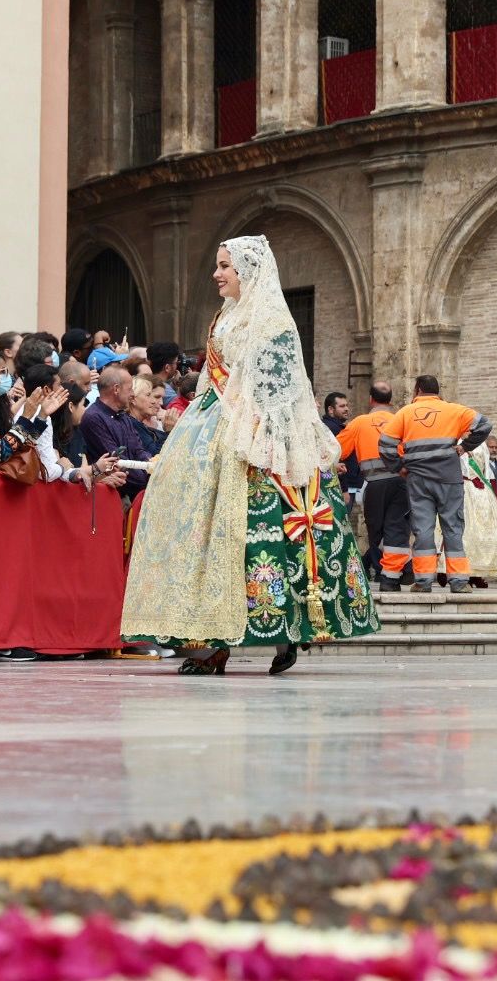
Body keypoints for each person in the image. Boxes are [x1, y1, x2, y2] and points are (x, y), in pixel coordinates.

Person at [122, 235, 379, 675]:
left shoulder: (273, 320)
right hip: (213, 429)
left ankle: (282, 633)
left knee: (265, 534)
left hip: (257, 437)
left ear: (248, 270)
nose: (216, 273)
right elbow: (209, 380)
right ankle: (211, 640)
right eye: (218, 265)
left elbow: (281, 389)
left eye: (225, 266)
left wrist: (267, 441)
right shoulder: (224, 315)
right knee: (209, 535)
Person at [379, 376, 492, 594]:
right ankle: (459, 582)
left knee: (423, 530)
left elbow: (385, 444)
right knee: (453, 528)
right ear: (437, 391)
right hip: (449, 479)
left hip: (418, 480)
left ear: (417, 390)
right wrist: (465, 446)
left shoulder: (405, 413)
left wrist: (398, 467)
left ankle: (423, 582)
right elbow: (485, 425)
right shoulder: (455, 410)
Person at [338, 382, 409, 588]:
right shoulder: (401, 420)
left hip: (375, 484)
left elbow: (336, 450)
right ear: (391, 400)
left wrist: (337, 465)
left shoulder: (360, 422)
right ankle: (392, 577)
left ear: (370, 399)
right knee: (397, 528)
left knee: (375, 530)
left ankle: (381, 571)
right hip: (402, 482)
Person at [80, 364, 153, 501]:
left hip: (132, 492)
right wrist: (150, 480)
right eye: (130, 389)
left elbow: (139, 451)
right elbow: (116, 462)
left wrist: (153, 466)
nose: (132, 394)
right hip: (111, 497)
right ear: (116, 389)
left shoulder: (123, 416)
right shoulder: (94, 418)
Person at [459, 439, 497, 584]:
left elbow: (488, 473)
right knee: (466, 533)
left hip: (482, 494)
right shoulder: (457, 442)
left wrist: (496, 496)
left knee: (485, 534)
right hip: (464, 490)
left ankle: (477, 574)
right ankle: (461, 573)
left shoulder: (480, 444)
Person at [322, 391, 363, 506]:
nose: (346, 409)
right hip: (343, 486)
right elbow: (338, 460)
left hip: (346, 485)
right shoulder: (332, 429)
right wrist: (344, 489)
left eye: (347, 405)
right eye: (342, 406)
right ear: (330, 409)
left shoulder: (337, 427)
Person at [126, 375, 169, 457]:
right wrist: (168, 431)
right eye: (148, 395)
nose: (154, 401)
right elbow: (155, 456)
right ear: (133, 399)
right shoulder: (131, 424)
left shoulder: (137, 422)